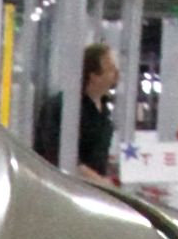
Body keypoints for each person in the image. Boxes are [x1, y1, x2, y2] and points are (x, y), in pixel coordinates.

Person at [33, 38, 119, 181]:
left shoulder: (104, 110)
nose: (116, 74)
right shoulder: (61, 107)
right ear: (94, 76)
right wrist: (100, 182)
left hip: (93, 191)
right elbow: (59, 158)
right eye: (110, 69)